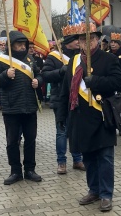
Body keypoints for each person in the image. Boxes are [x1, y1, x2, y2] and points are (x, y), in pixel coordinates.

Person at [57, 23, 121, 212]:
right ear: (78, 43)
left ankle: (106, 194)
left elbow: (120, 82)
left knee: (105, 158)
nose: (86, 43)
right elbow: (65, 90)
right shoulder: (74, 61)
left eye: (90, 39)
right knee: (88, 158)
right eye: (82, 40)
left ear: (97, 40)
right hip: (79, 117)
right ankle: (94, 190)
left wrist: (97, 82)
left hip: (101, 115)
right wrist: (61, 115)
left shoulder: (108, 59)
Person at [0, 31, 43, 185]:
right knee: (12, 141)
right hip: (11, 107)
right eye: (18, 44)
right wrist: (5, 75)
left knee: (30, 140)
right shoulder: (0, 61)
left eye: (24, 44)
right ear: (11, 45)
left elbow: (40, 75)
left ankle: (30, 169)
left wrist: (38, 81)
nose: (22, 47)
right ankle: (15, 171)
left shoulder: (30, 59)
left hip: (29, 106)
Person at [42, 30, 85, 175]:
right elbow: (46, 75)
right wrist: (60, 71)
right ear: (68, 43)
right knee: (62, 131)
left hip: (78, 99)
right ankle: (61, 162)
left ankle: (77, 159)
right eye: (76, 40)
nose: (78, 42)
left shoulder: (81, 56)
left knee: (77, 130)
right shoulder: (54, 57)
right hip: (60, 99)